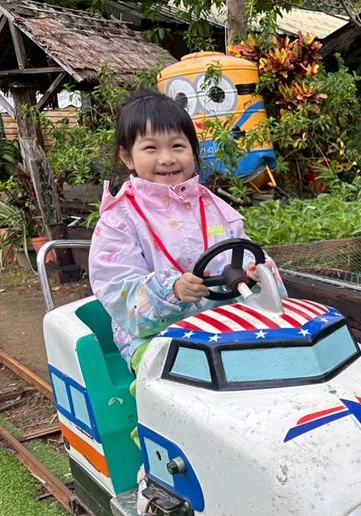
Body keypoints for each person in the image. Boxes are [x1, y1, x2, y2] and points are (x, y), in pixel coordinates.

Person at [89, 90, 285, 371]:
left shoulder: (215, 207)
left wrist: (255, 274)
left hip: (222, 324)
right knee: (183, 375)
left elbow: (244, 252)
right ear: (127, 156)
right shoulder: (118, 220)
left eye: (178, 146)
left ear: (193, 150)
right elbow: (119, 291)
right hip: (153, 336)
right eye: (151, 148)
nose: (167, 158)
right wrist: (172, 291)